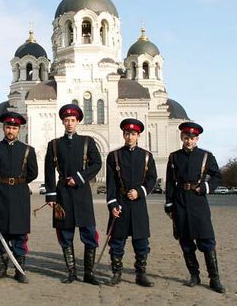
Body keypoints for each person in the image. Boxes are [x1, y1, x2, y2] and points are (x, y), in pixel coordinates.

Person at [44, 104, 102, 285]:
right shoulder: (54, 145)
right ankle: (71, 272)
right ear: (63, 121)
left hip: (82, 193)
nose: (69, 123)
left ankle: (88, 273)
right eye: (66, 120)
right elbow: (48, 171)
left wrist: (78, 178)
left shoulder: (87, 142)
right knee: (65, 233)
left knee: (89, 232)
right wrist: (51, 195)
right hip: (62, 194)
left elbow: (97, 164)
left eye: (73, 120)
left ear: (78, 122)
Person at [165, 122, 225, 293]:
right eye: (186, 138)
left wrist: (206, 187)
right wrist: (169, 204)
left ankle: (214, 278)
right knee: (185, 241)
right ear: (181, 138)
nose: (189, 141)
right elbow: (170, 182)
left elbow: (217, 177)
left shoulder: (206, 156)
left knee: (207, 240)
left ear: (197, 139)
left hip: (198, 200)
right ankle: (194, 275)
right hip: (180, 201)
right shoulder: (174, 157)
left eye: (192, 138)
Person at [0, 112, 38, 283]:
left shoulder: (28, 150)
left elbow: (33, 173)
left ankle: (20, 270)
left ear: (19, 130)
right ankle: (2, 268)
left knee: (20, 233)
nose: (11, 130)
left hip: (20, 195)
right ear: (4, 128)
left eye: (14, 127)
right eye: (8, 127)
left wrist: (18, 182)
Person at [105, 119, 157, 287]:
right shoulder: (114, 156)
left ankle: (140, 274)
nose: (130, 137)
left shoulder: (146, 156)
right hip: (120, 203)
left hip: (138, 204)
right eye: (127, 133)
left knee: (141, 241)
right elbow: (111, 183)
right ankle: (117, 272)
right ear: (123, 135)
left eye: (133, 134)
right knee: (117, 241)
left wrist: (140, 191)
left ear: (138, 136)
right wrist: (112, 205)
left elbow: (152, 179)